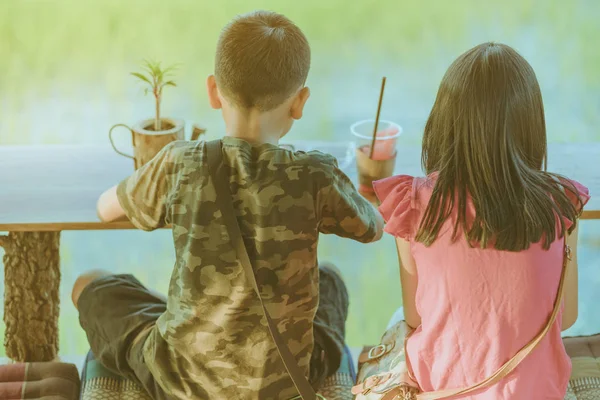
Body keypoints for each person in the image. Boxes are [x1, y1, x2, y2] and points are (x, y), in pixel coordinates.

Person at [71, 10, 383, 400]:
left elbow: (106, 208)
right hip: (284, 380)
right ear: (299, 102)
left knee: (90, 282)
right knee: (332, 278)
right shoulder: (315, 174)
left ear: (213, 91)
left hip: (181, 380)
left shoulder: (180, 162)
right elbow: (372, 227)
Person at [373, 42, 590, 399]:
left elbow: (415, 316)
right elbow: (565, 318)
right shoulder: (561, 205)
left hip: (444, 391)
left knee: (397, 316)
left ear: (444, 121)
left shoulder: (415, 204)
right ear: (530, 125)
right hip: (539, 392)